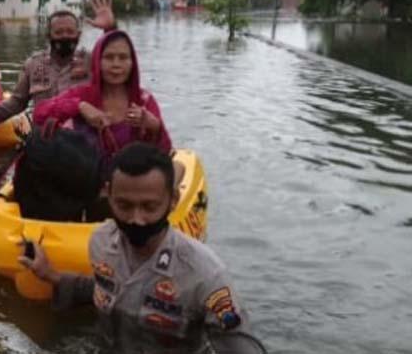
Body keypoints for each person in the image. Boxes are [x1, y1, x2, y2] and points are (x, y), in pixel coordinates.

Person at [19, 144, 264, 354]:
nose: (137, 219)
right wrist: (51, 275)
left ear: (173, 201)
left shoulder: (205, 275)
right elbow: (108, 289)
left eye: (149, 207)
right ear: (109, 196)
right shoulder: (101, 242)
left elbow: (241, 347)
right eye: (124, 205)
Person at [0, 0, 116, 129]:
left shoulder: (92, 61)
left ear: (79, 35)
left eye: (70, 32)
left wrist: (110, 29)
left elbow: (119, 65)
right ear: (48, 36)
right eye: (58, 32)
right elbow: (17, 102)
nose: (65, 36)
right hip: (44, 140)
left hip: (83, 139)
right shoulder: (33, 65)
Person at [33, 30, 172, 160]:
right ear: (97, 62)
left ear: (132, 63)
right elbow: (39, 113)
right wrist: (79, 106)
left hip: (129, 181)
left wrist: (154, 126)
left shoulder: (144, 101)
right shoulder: (82, 95)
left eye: (123, 58)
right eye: (109, 57)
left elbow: (164, 152)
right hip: (85, 178)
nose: (116, 64)